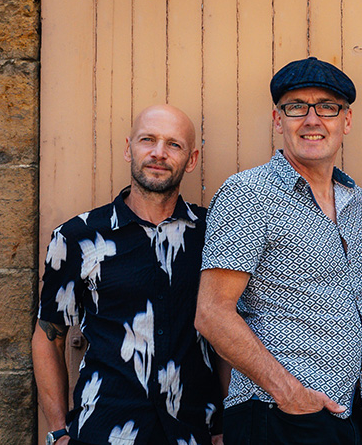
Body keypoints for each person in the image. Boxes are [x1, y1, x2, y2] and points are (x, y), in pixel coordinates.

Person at [194, 57, 362, 444]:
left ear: (346, 121)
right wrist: (290, 394)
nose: (312, 120)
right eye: (296, 107)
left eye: (327, 107)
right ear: (278, 121)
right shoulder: (248, 193)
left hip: (349, 417)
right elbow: (212, 313)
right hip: (277, 415)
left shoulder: (358, 203)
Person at [33, 105, 223, 445]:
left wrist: (225, 426)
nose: (159, 153)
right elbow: (49, 335)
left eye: (174, 144)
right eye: (147, 140)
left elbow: (229, 333)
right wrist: (58, 432)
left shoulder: (213, 234)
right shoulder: (77, 237)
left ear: (191, 160)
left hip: (195, 430)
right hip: (103, 429)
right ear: (128, 148)